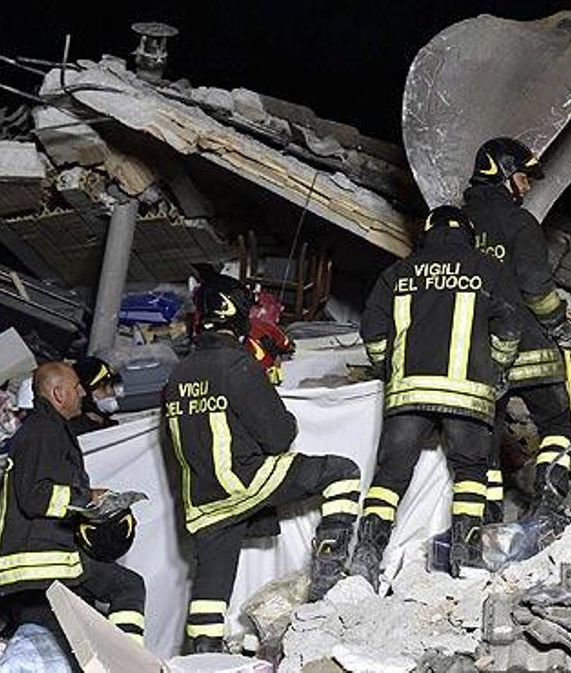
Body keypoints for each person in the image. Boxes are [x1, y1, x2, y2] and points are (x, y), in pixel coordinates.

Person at [163, 274, 361, 653]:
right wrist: (265, 388)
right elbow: (279, 435)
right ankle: (328, 576)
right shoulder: (236, 364)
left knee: (209, 592)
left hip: (202, 503)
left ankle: (202, 659)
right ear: (236, 312)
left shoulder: (177, 375)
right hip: (244, 482)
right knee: (342, 471)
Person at [349, 205, 520, 585]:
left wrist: (386, 368)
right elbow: (509, 328)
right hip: (468, 395)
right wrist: (497, 369)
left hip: (408, 393)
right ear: (469, 235)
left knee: (390, 475)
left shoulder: (398, 272)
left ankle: (367, 553)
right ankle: (467, 553)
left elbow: (374, 332)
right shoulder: (488, 269)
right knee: (471, 472)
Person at [462, 137, 571, 533]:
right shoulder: (519, 224)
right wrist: (559, 324)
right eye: (524, 178)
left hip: (478, 353)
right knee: (559, 423)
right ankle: (547, 505)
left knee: (486, 436)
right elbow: (536, 287)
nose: (527, 187)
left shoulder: (458, 225)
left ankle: (487, 519)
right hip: (529, 347)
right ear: (504, 173)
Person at [0, 362, 146, 656]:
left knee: (71, 641)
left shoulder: (45, 430)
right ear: (58, 393)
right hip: (42, 565)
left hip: (41, 565)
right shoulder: (43, 432)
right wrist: (88, 498)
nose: (82, 392)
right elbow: (35, 496)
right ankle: (127, 660)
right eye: (76, 388)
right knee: (127, 587)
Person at [67, 357, 123, 436]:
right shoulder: (79, 427)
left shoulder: (99, 419)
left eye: (111, 385)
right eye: (103, 388)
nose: (111, 393)